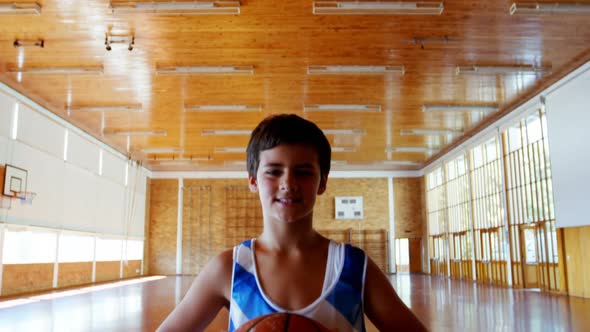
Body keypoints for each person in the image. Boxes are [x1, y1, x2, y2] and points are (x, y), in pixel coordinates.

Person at [158, 114, 427, 331]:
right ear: (253, 180)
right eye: (274, 171)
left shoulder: (354, 267)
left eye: (303, 172)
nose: (288, 184)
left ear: (322, 182)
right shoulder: (230, 268)